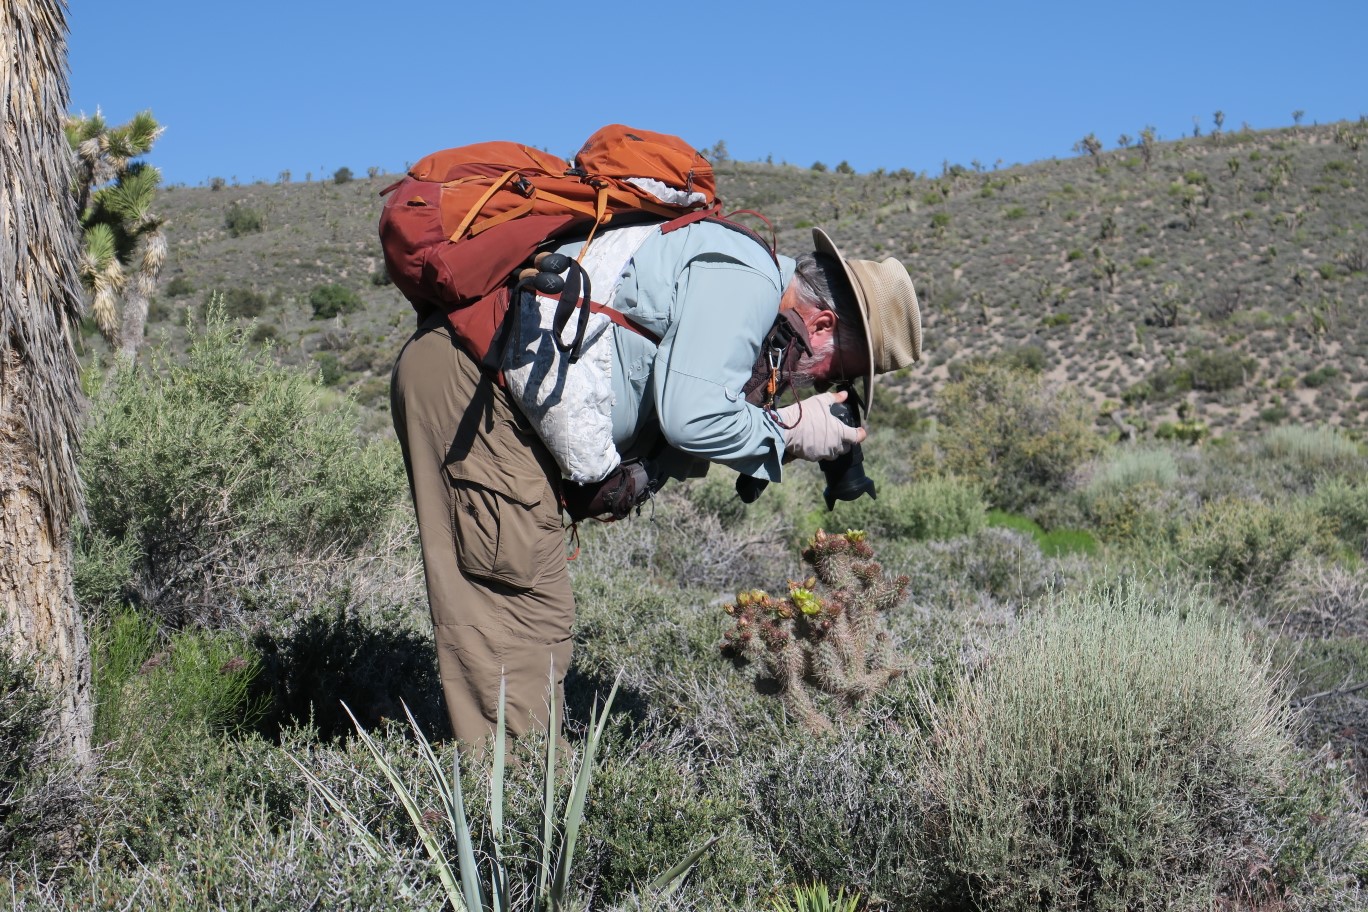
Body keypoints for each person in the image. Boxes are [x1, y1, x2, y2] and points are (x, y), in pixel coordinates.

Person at [390, 219, 921, 745]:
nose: (819, 381)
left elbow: (679, 425)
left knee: (526, 610)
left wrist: (770, 424)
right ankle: (512, 809)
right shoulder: (748, 279)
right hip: (475, 391)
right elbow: (691, 417)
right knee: (520, 613)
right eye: (835, 371)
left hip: (489, 395)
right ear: (824, 324)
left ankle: (515, 791)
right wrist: (787, 433)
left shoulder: (746, 290)